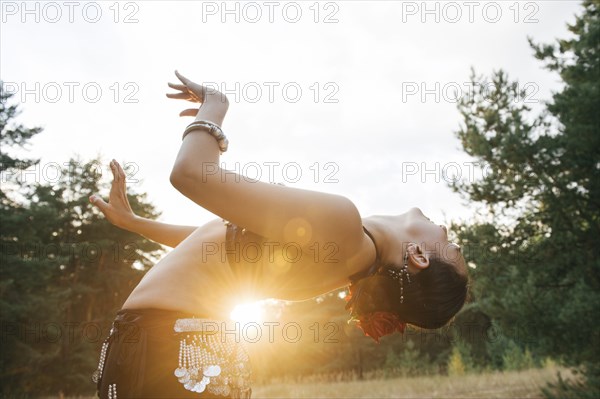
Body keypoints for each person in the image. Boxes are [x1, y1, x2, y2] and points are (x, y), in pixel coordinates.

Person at [89, 71, 469, 398]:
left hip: (170, 348)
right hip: (177, 350)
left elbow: (190, 173)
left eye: (451, 247)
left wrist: (215, 108)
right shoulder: (347, 261)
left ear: (419, 255)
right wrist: (133, 223)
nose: (448, 230)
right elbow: (216, 242)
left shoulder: (343, 224)